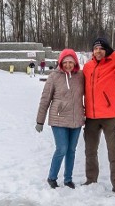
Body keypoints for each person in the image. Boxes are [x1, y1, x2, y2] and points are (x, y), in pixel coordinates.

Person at [83, 37, 115, 195]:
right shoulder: (87, 67)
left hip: (109, 116)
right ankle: (91, 180)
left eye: (102, 48)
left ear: (107, 50)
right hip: (91, 117)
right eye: (95, 48)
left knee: (114, 151)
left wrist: (114, 54)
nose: (98, 51)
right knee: (90, 151)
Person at [36, 49, 85, 189]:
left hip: (76, 119)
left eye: (71, 62)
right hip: (59, 119)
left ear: (75, 62)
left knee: (71, 150)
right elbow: (45, 99)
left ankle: (68, 179)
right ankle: (52, 177)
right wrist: (40, 121)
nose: (68, 65)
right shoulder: (54, 76)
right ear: (60, 62)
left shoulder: (80, 76)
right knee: (62, 148)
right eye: (65, 62)